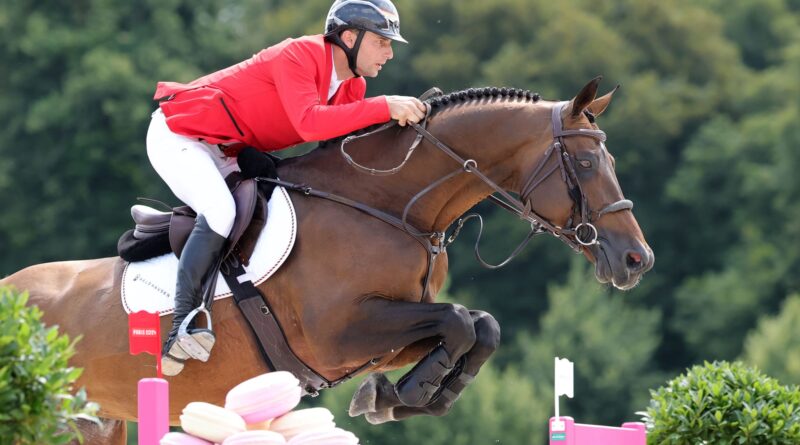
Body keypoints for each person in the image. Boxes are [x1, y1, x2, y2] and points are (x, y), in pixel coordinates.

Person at [147, 0, 427, 376]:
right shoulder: (299, 54)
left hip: (230, 148)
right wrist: (384, 106)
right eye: (382, 42)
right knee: (220, 210)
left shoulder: (351, 86)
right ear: (349, 37)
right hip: (180, 135)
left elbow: (343, 149)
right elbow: (310, 124)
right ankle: (181, 325)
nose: (390, 53)